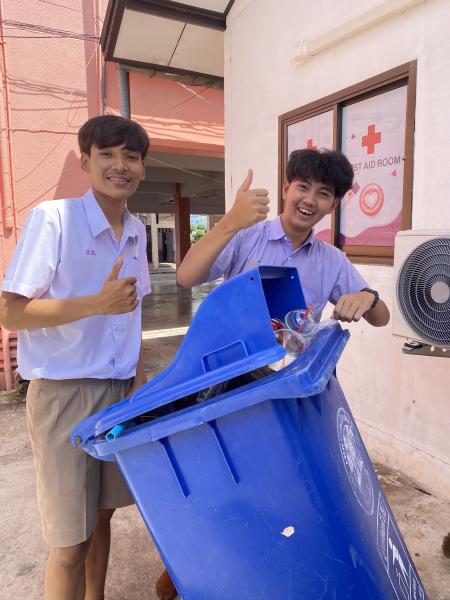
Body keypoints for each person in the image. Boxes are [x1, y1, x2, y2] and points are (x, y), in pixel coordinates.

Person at [0, 115, 175, 600]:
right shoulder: (54, 220)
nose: (120, 166)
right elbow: (11, 311)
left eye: (131, 157)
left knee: (102, 517)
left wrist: (138, 386)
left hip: (119, 395)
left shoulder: (136, 230)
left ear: (142, 167)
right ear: (85, 162)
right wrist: (95, 304)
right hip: (65, 396)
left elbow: (131, 317)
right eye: (107, 155)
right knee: (68, 542)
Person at [177, 148, 390, 327]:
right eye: (303, 187)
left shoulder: (332, 260)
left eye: (323, 193)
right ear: (286, 189)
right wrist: (230, 222)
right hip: (236, 360)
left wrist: (369, 297)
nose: (310, 200)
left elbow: (381, 319)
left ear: (333, 205)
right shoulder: (245, 235)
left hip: (294, 363)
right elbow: (186, 277)